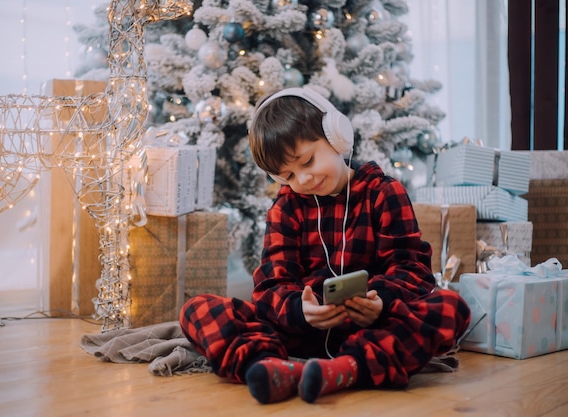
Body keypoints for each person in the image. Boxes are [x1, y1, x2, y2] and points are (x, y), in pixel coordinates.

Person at [179, 87, 471, 404]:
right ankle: (272, 370)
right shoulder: (285, 208)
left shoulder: (384, 193)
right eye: (287, 175)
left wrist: (381, 301)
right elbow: (271, 285)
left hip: (371, 330)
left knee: (449, 308)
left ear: (336, 136)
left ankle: (345, 369)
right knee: (198, 309)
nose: (302, 180)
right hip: (301, 332)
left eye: (307, 161)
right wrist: (299, 311)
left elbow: (412, 270)